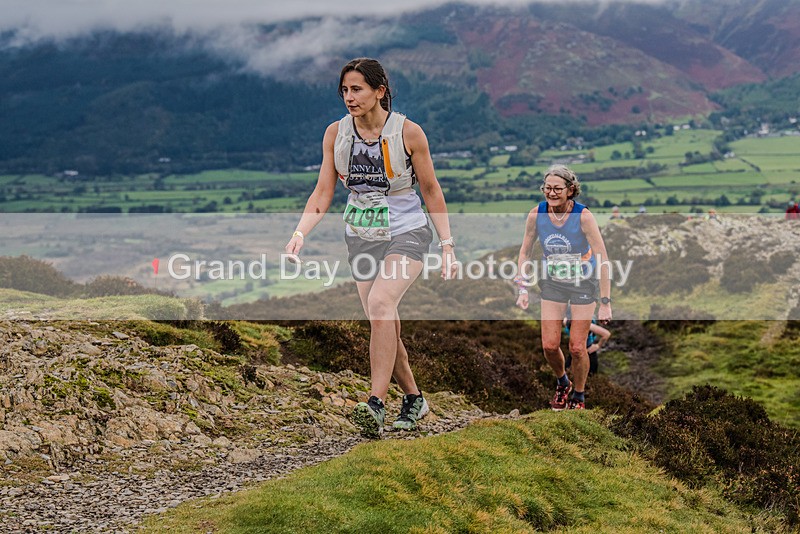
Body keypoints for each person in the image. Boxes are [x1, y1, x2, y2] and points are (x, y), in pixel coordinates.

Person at [285, 58, 458, 438]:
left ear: (380, 91)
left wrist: (447, 245)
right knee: (383, 321)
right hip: (361, 234)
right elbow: (323, 192)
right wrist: (300, 233)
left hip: (408, 232)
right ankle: (414, 398)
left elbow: (430, 190)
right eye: (345, 90)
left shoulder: (409, 133)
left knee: (381, 305)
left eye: (357, 89)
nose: (349, 97)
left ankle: (375, 403)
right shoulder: (336, 133)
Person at [515, 164, 612, 410]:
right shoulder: (537, 214)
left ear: (570, 190)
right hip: (554, 283)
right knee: (549, 345)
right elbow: (525, 252)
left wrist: (605, 302)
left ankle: (579, 395)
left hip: (583, 282)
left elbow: (602, 257)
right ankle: (562, 382)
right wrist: (523, 288)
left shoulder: (583, 216)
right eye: (547, 188)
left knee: (578, 348)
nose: (551, 193)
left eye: (557, 188)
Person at [563, 311, 611, 376]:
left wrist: (597, 346)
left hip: (588, 350)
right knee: (567, 371)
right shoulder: (567, 322)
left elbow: (606, 334)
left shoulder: (588, 325)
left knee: (590, 374)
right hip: (574, 349)